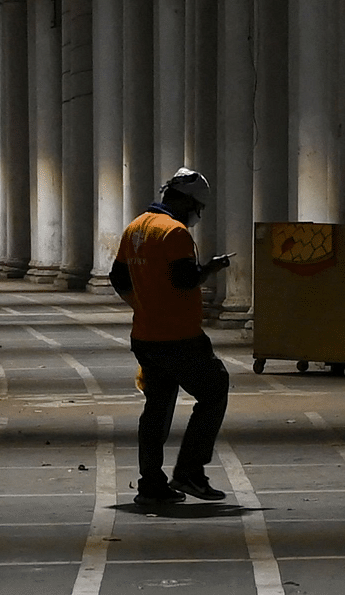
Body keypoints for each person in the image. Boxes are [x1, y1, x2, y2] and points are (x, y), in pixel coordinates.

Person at [110, 167, 232, 505]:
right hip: (179, 337)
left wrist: (142, 305)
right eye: (197, 208)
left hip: (145, 335)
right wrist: (210, 268)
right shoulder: (174, 233)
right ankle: (189, 472)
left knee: (157, 407)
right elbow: (183, 280)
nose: (197, 215)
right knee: (214, 389)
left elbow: (118, 277)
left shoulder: (135, 227)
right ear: (183, 200)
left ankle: (151, 483)